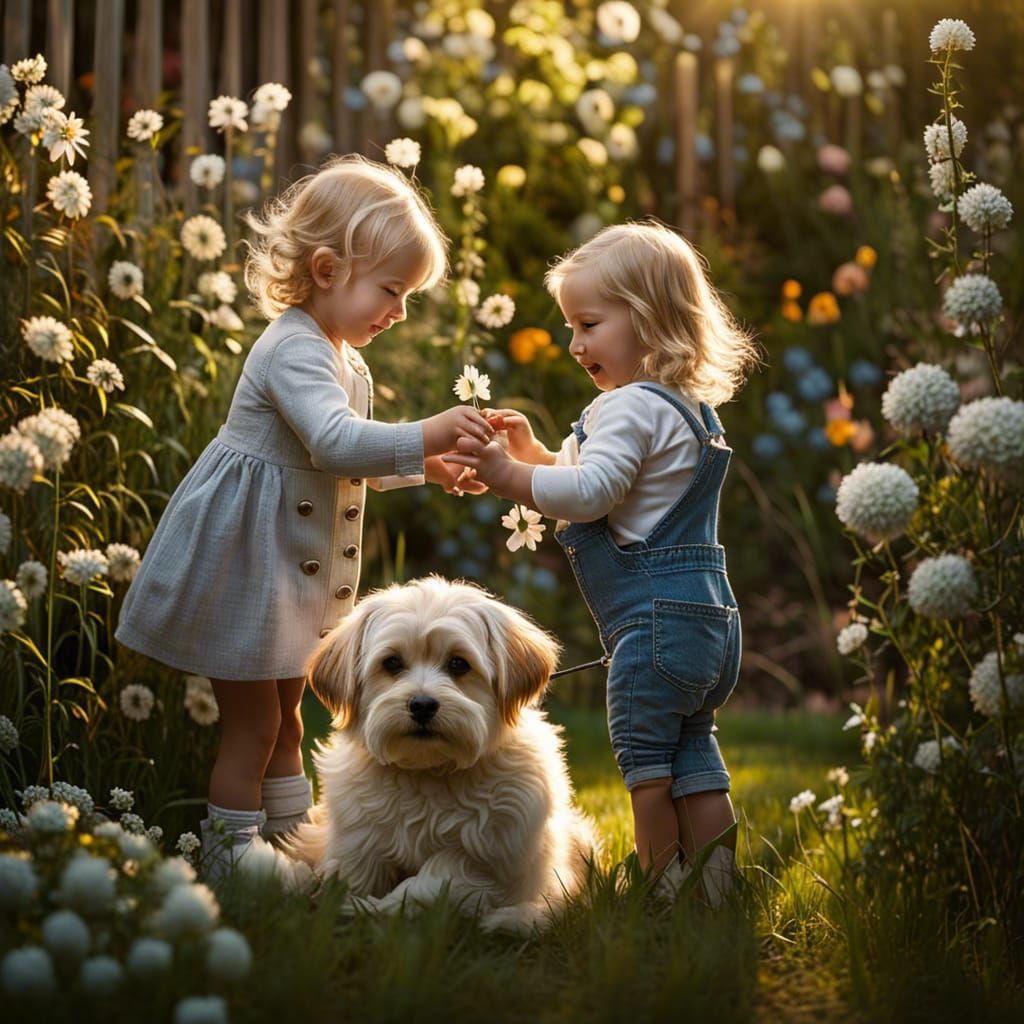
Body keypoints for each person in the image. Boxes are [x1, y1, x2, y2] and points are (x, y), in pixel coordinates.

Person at [116, 155, 492, 879]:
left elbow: (347, 460)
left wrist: (428, 466)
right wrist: (430, 433)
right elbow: (335, 441)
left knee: (288, 722)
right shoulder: (292, 347)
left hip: (287, 575)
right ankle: (230, 867)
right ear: (327, 270)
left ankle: (295, 854)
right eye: (391, 290)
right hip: (247, 568)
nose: (399, 311)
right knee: (255, 728)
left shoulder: (342, 355)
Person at [444, 221, 757, 904]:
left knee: (647, 769)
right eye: (571, 327)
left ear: (649, 320)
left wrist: (506, 476)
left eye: (589, 324)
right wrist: (534, 457)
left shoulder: (626, 406)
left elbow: (589, 495)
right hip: (710, 621)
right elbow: (611, 490)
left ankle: (659, 890)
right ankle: (717, 891)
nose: (575, 344)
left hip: (654, 628)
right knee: (694, 755)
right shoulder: (688, 411)